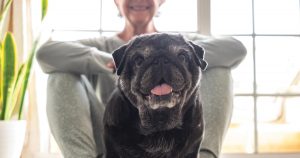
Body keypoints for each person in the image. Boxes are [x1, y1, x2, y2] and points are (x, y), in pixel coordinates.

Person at [37, 0, 247, 157]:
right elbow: (46, 54)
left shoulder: (182, 41)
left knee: (220, 70)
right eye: (140, 60)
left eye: (178, 56)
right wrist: (109, 61)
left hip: (185, 139)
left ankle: (204, 155)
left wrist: (186, 55)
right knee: (59, 74)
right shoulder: (102, 45)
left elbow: (235, 49)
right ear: (116, 2)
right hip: (111, 141)